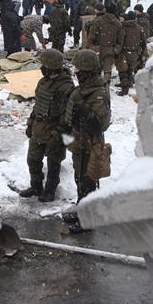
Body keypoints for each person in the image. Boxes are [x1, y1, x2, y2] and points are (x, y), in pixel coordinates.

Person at [62, 50, 111, 232]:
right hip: (79, 141)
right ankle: (81, 208)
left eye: (79, 69)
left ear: (88, 71)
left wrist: (86, 113)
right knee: (79, 178)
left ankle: (88, 218)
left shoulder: (97, 93)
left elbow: (102, 124)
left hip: (90, 143)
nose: (76, 72)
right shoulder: (83, 89)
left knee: (88, 180)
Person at [20, 49, 74, 202]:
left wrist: (58, 134)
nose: (41, 68)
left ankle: (50, 190)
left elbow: (67, 115)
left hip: (55, 130)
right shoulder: (43, 82)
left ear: (51, 67)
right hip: (39, 127)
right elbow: (38, 105)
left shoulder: (65, 87)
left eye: (43, 65)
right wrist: (31, 124)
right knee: (33, 159)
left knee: (53, 162)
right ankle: (36, 186)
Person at [87, 4, 124, 85]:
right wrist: (115, 50)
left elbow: (91, 36)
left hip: (97, 48)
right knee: (107, 71)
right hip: (110, 50)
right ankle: (105, 89)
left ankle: (95, 88)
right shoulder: (118, 23)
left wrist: (91, 47)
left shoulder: (98, 20)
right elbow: (120, 41)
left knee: (96, 70)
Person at [118, 11, 145, 95]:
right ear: (135, 18)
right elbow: (143, 42)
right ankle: (128, 84)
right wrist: (141, 53)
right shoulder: (139, 28)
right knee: (130, 70)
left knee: (123, 71)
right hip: (135, 52)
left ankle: (124, 89)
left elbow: (120, 41)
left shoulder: (122, 27)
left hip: (124, 53)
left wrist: (118, 51)